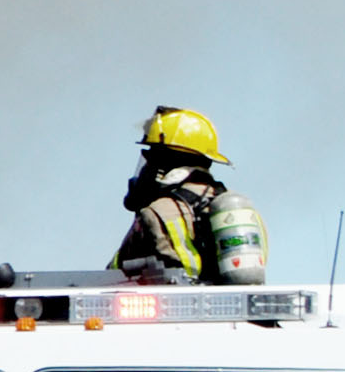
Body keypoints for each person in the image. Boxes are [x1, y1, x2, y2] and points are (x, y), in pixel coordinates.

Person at [110, 107, 267, 286]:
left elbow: (114, 276)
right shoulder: (243, 211)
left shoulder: (157, 211)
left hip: (173, 309)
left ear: (164, 161)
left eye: (151, 158)